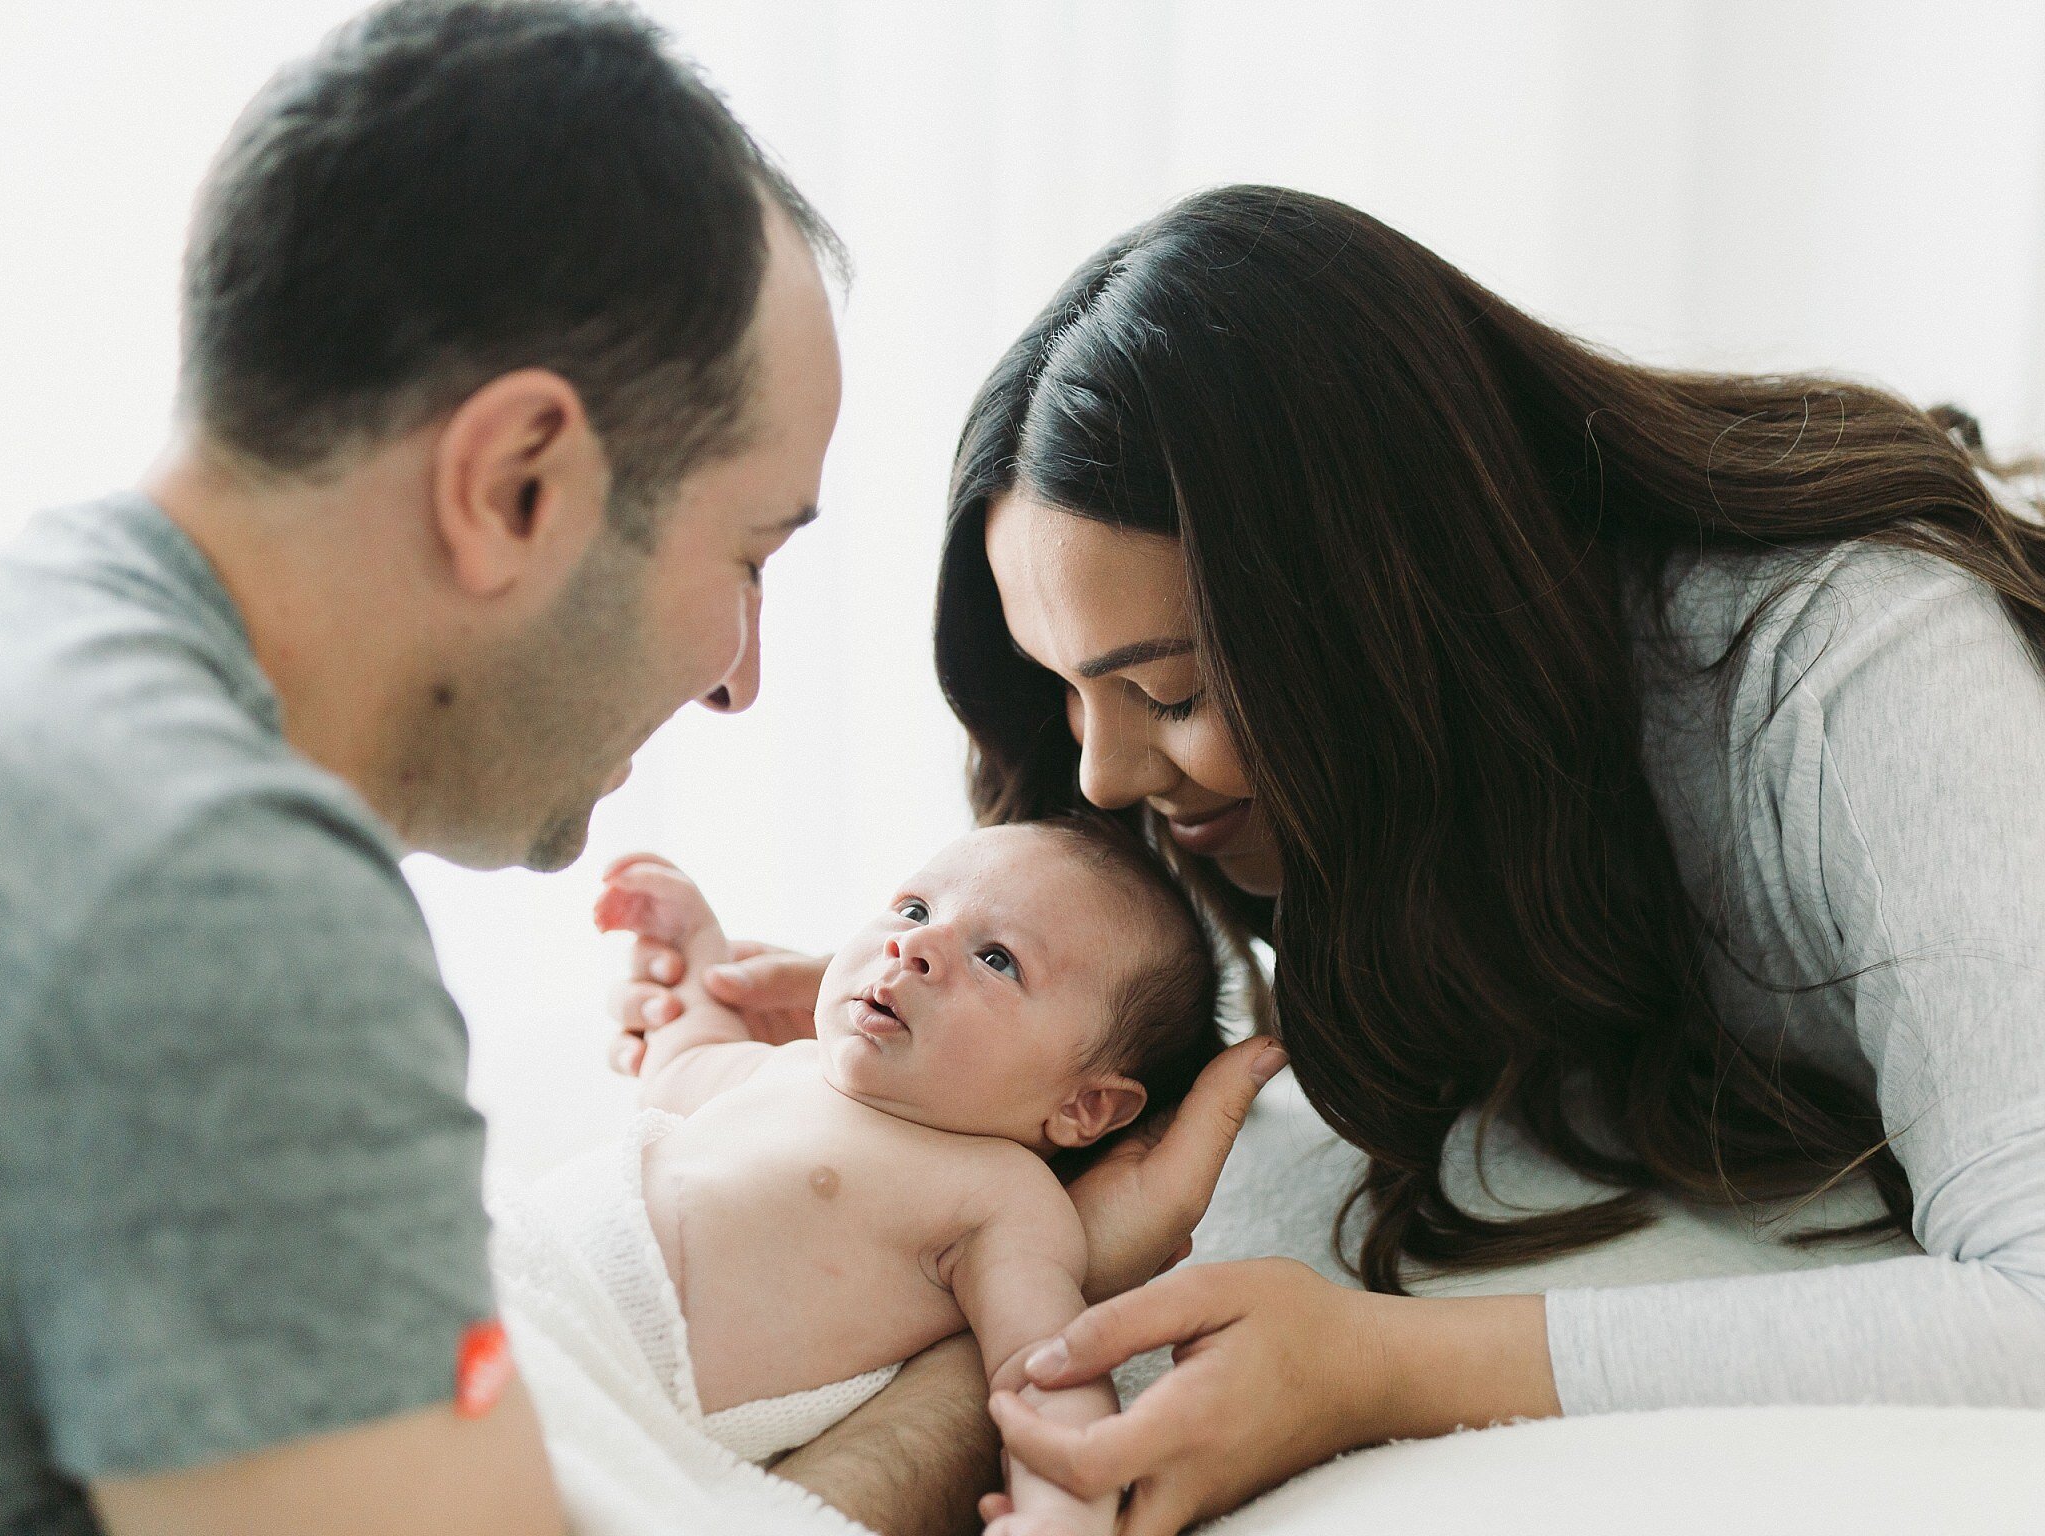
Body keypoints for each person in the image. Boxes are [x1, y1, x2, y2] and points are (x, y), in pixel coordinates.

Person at [619, 184, 2045, 1536]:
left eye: (1169, 692)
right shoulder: (1455, 794)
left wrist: (1380, 1369)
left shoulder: (1854, 663)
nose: (1105, 774)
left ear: (1380, 615)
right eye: (1067, 691)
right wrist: (949, 1054)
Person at [0, 2, 872, 1531]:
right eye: (748, 553)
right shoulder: (217, 899)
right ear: (516, 483)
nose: (743, 675)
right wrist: (949, 1426)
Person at [517, 820, 1249, 1534]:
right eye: (914, 908)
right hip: (514, 1273)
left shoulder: (1001, 1196)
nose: (917, 944)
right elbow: (679, 1063)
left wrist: (1064, 1505)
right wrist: (694, 949)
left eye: (997, 958)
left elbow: (1046, 1367)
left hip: (606, 1390)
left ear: (1084, 1105)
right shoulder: (792, 1065)